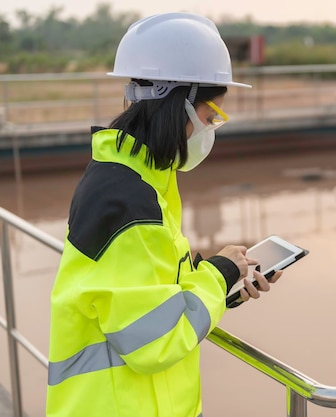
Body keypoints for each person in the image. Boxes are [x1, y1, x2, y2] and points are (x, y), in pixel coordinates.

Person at [46, 12, 281, 417]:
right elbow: (151, 342)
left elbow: (148, 291)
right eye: (210, 118)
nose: (211, 131)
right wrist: (219, 272)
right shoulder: (129, 201)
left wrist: (226, 287)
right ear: (178, 106)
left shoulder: (135, 178)